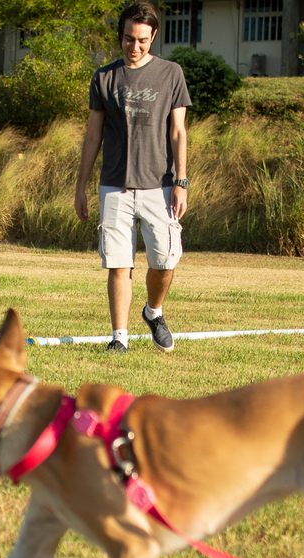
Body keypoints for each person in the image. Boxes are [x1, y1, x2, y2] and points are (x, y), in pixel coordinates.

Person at [74, 1, 191, 353]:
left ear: (153, 36)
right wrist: (80, 186)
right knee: (118, 262)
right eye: (128, 39)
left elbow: (178, 132)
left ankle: (153, 312)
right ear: (121, 36)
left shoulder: (171, 74)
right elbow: (93, 135)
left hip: (161, 185)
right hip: (114, 185)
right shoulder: (104, 77)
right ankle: (118, 338)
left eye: (142, 39)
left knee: (165, 261)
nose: (134, 46)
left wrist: (182, 182)